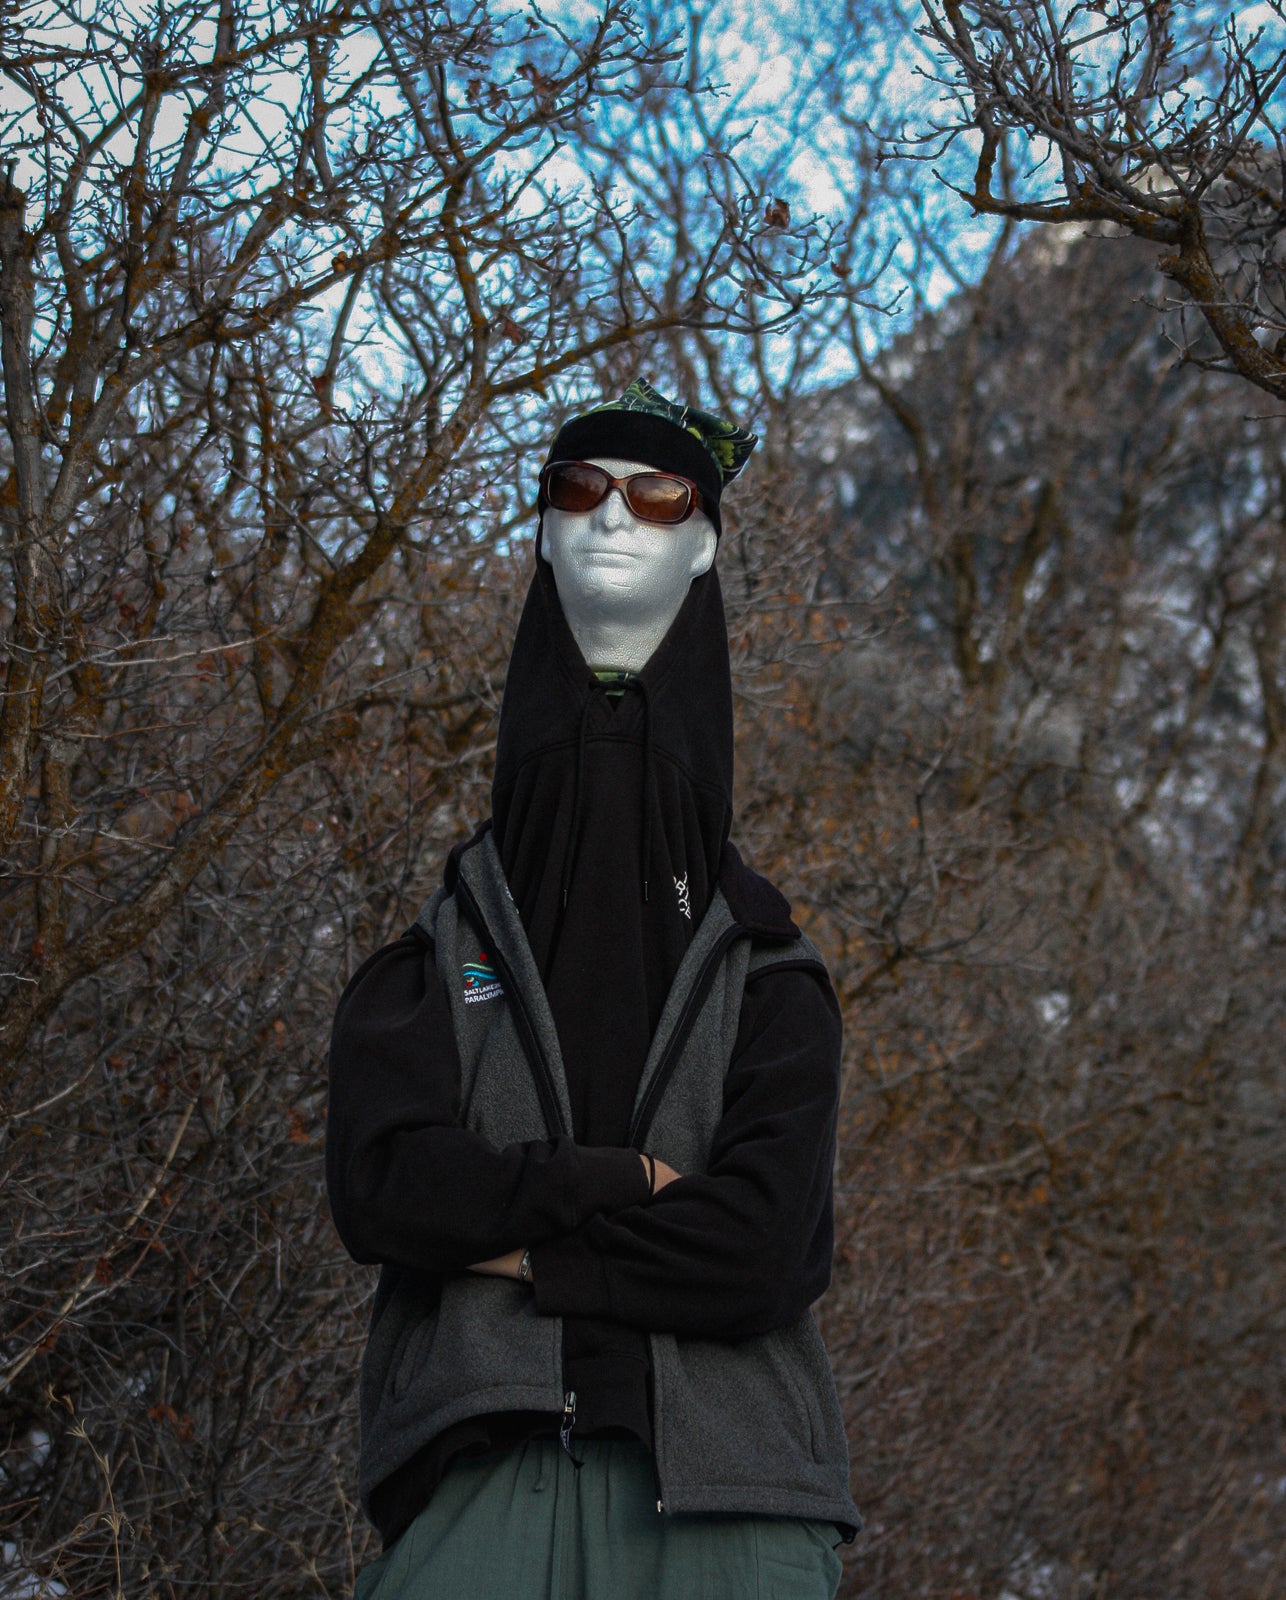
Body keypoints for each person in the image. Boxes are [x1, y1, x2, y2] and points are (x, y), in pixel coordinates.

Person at [326, 379, 860, 1598]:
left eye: (655, 492)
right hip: (476, 1479)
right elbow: (382, 1185)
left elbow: (763, 1252)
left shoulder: (767, 966)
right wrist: (617, 1188)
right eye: (578, 487)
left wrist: (519, 1249)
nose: (611, 516)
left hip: (733, 1494)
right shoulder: (448, 948)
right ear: (540, 530)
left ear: (704, 539)